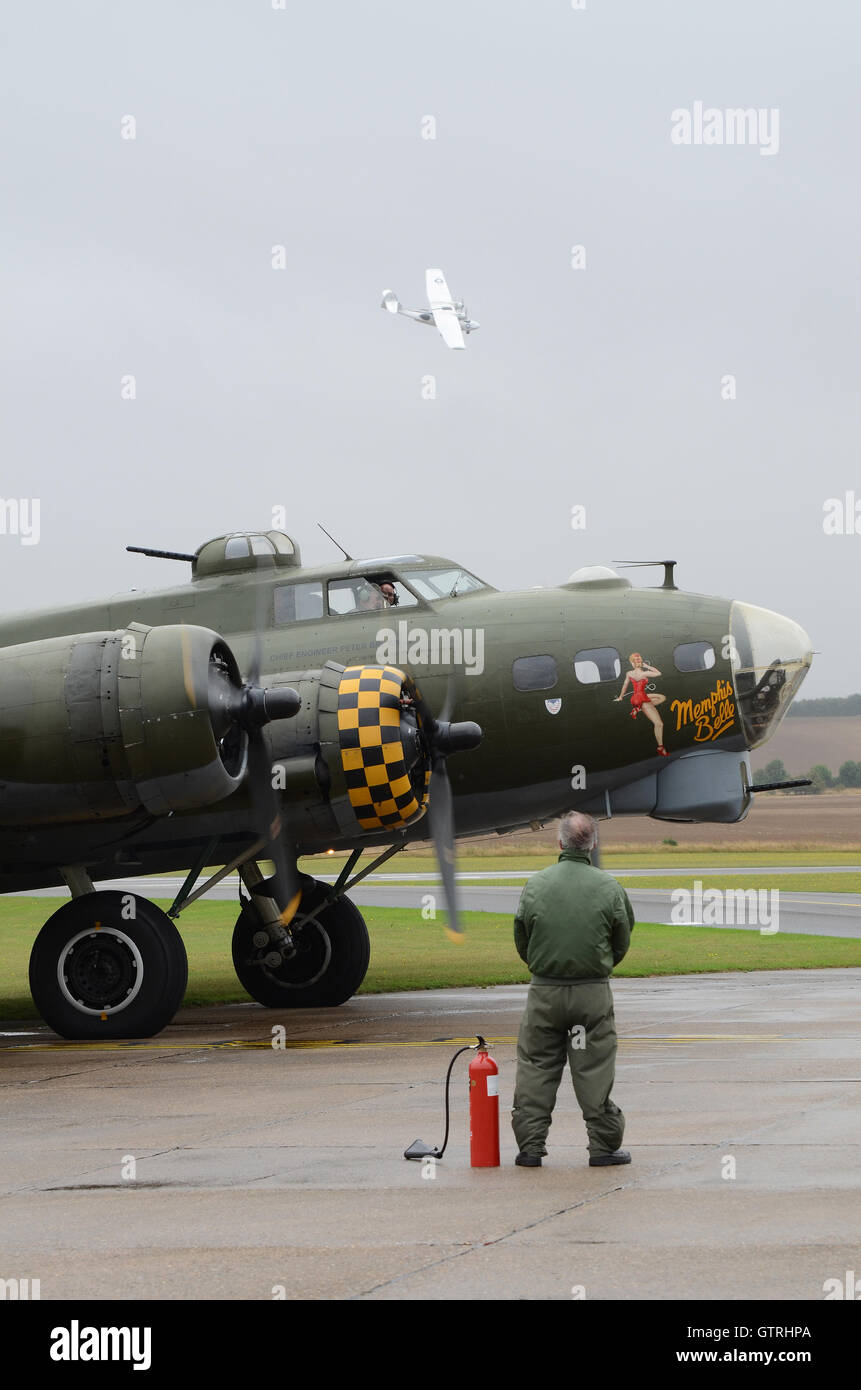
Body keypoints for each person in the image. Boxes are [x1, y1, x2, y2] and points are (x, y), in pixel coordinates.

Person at [510, 811, 635, 1168]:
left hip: (544, 995)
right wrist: (597, 967)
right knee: (593, 1069)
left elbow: (523, 938)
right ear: (593, 843)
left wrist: (545, 967)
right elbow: (621, 939)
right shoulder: (609, 887)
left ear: (559, 842)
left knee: (536, 1067)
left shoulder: (535, 885)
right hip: (591, 996)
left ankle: (530, 1148)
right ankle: (602, 1146)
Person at [615, 653, 668, 755]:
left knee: (661, 697)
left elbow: (625, 685)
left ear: (632, 663)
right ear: (640, 662)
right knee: (659, 724)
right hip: (642, 699)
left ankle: (637, 709)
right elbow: (658, 673)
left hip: (635, 698)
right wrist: (647, 666)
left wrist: (620, 697)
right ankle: (660, 747)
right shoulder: (645, 673)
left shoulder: (629, 673)